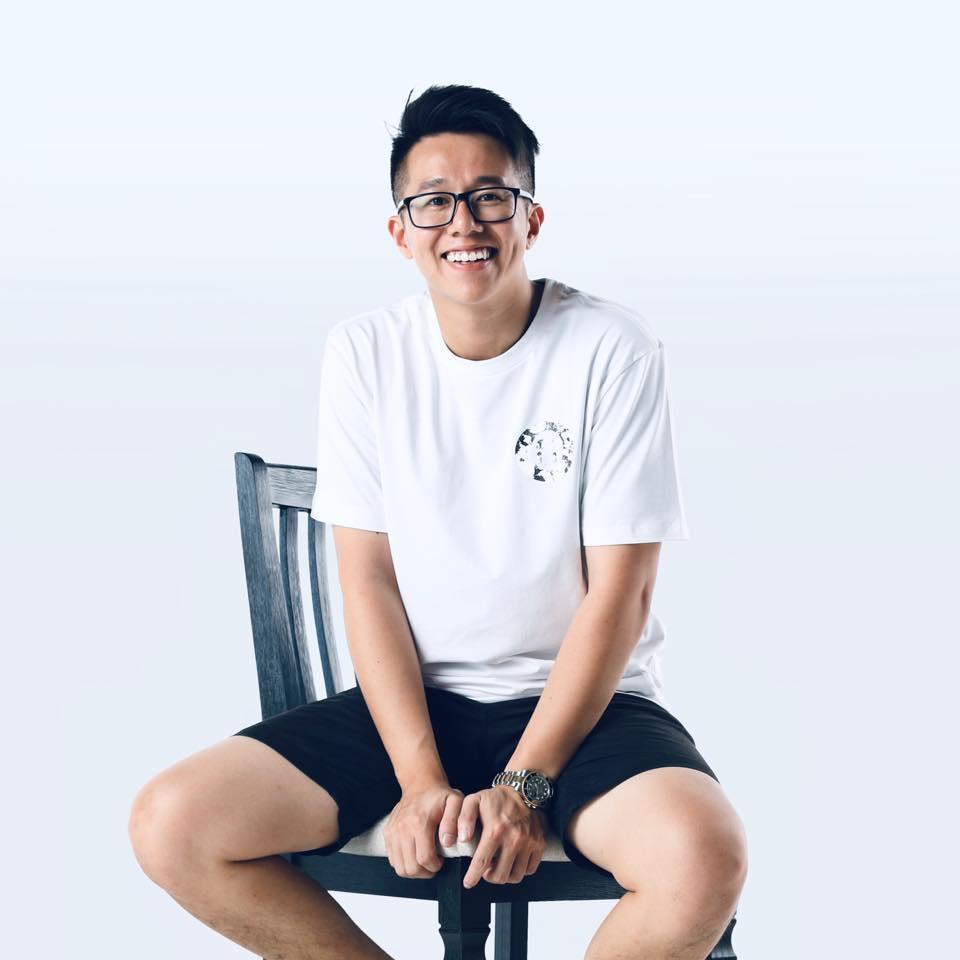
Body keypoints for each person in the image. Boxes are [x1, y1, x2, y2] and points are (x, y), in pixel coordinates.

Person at [128, 84, 748, 960]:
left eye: (491, 196)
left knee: (703, 855)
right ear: (401, 231)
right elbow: (368, 582)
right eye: (434, 201)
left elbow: (622, 593)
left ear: (531, 219)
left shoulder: (611, 346)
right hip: (416, 709)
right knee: (173, 822)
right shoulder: (365, 352)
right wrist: (419, 779)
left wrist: (525, 785)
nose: (464, 222)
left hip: (584, 710)